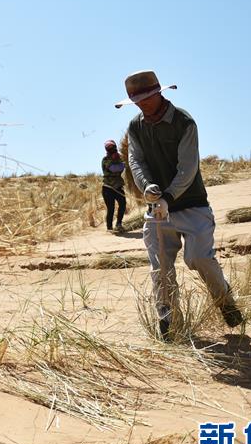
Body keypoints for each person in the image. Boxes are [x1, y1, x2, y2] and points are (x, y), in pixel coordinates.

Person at [117, 70, 243, 340]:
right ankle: (169, 321)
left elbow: (187, 167)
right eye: (136, 101)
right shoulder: (135, 127)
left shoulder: (184, 122)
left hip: (192, 205)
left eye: (146, 98)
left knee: (198, 259)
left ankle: (226, 303)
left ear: (158, 93)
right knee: (160, 267)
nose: (142, 104)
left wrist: (168, 196)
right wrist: (147, 187)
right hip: (158, 212)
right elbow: (136, 161)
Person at [101, 140, 126, 233]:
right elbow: (114, 169)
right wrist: (123, 164)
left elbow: (125, 164)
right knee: (111, 208)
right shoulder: (105, 160)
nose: (112, 149)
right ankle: (109, 228)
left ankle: (119, 224)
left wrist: (121, 161)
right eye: (109, 148)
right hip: (108, 187)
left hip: (118, 187)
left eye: (113, 147)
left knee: (123, 204)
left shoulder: (119, 158)